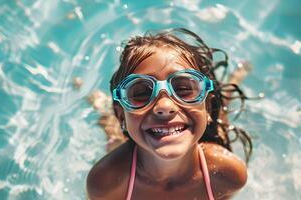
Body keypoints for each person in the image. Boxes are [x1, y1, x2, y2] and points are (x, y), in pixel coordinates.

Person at [86, 28, 253, 200]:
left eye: (183, 89)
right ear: (121, 115)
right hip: (127, 155)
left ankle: (234, 80)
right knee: (114, 139)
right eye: (141, 93)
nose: (164, 105)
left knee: (220, 123)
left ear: (207, 106)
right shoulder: (105, 183)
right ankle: (102, 107)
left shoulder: (227, 173)